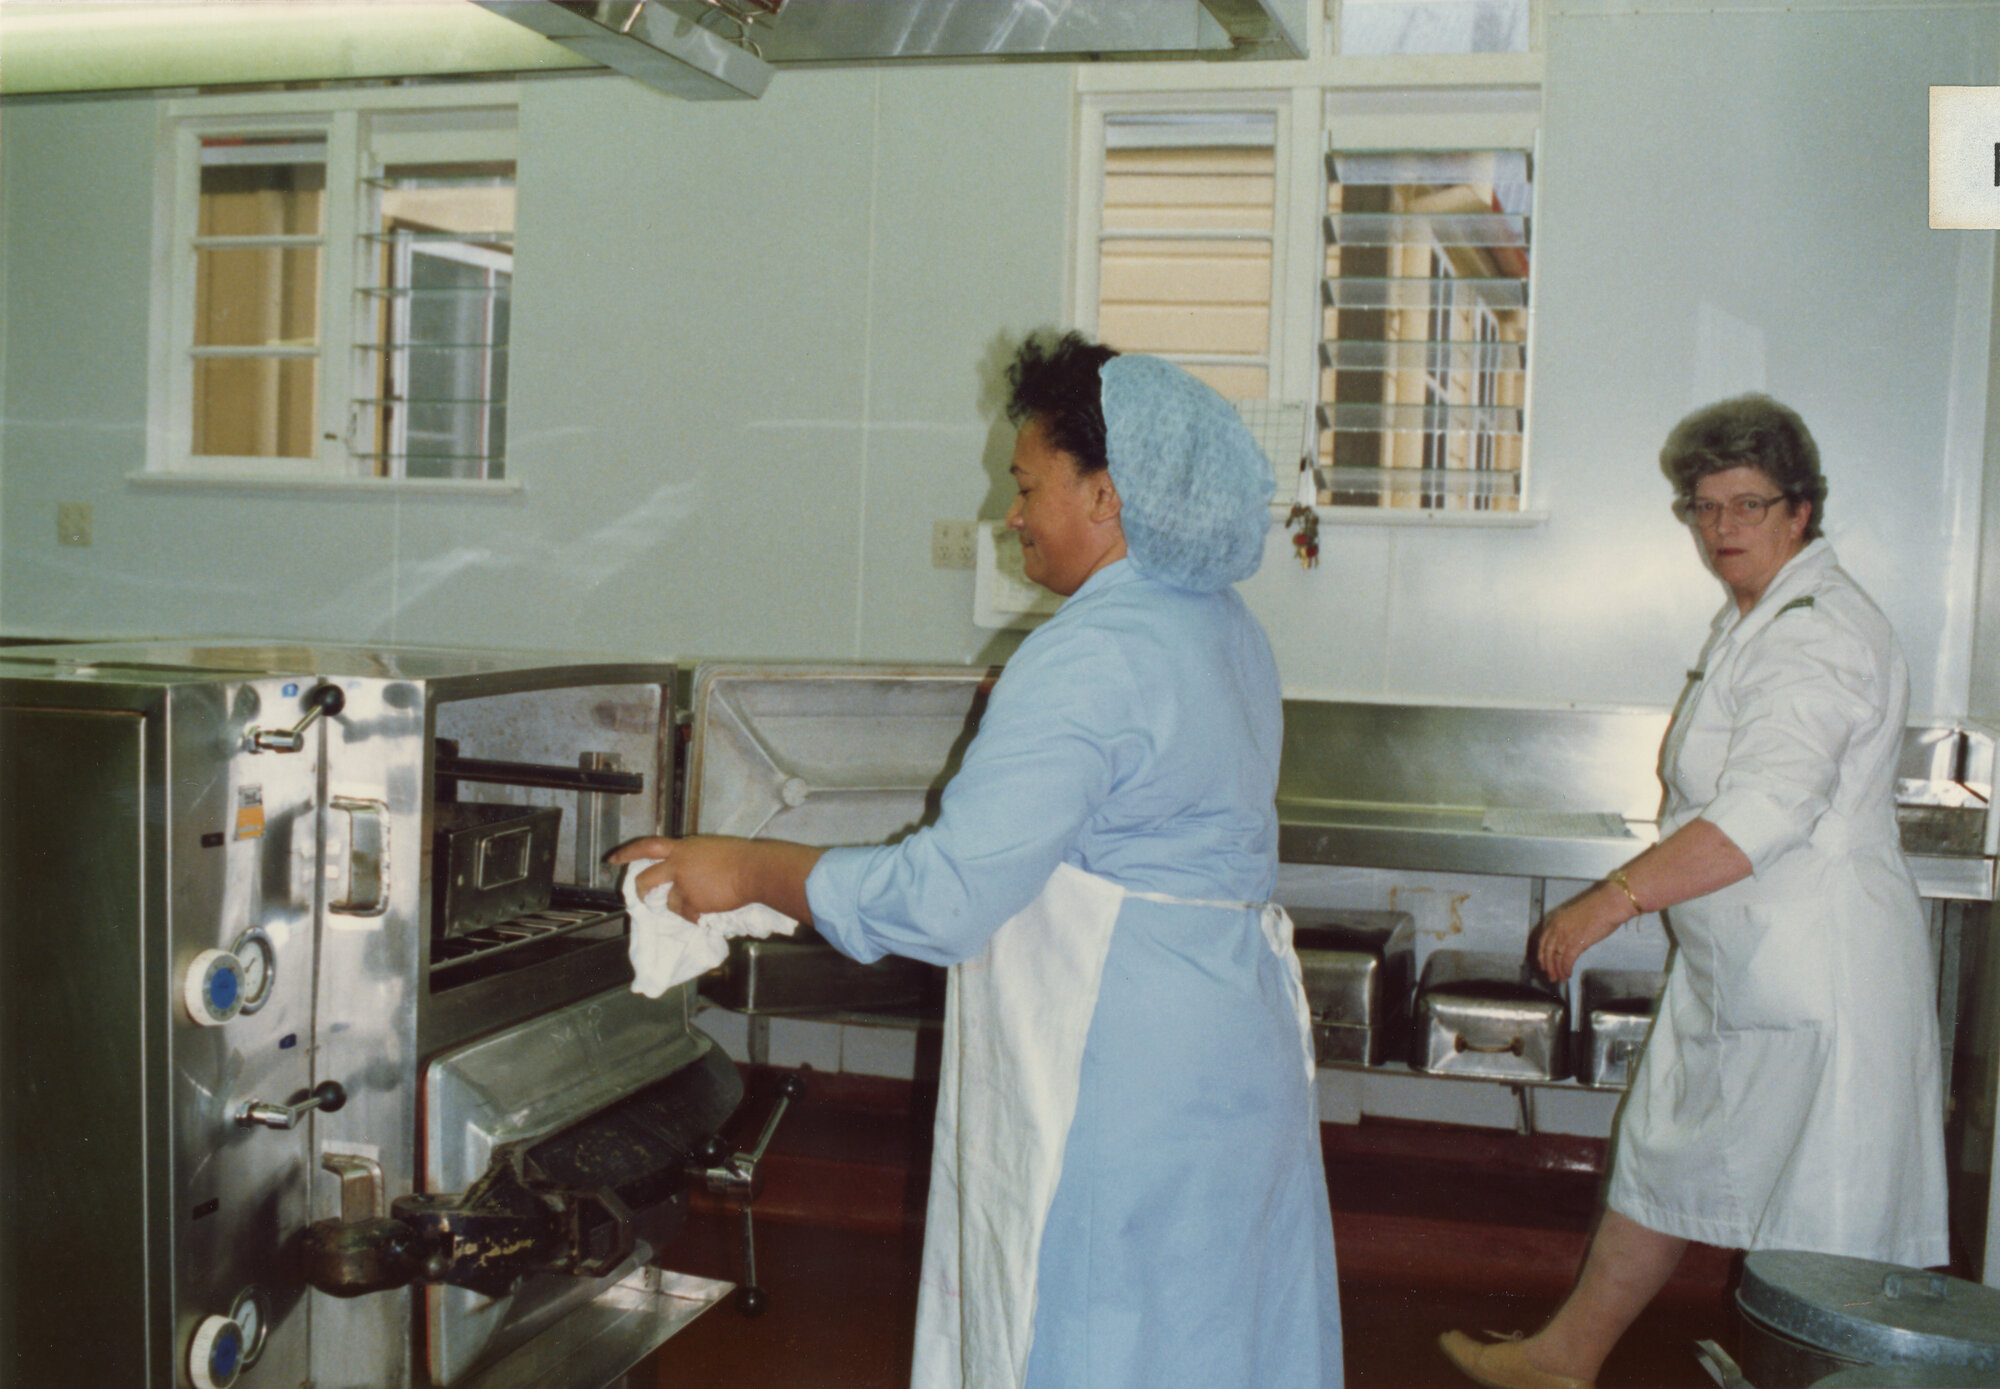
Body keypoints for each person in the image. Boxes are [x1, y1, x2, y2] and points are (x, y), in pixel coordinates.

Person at [610, 334, 1344, 1389]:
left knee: (1084, 1327)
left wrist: (745, 869)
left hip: (1116, 1057)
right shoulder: (1220, 627)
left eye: (1026, 483)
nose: (1009, 514)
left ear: (1105, 494)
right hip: (1225, 1047)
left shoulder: (1088, 651)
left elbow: (944, 901)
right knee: (1206, 1333)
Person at [1440, 394, 1949, 1389]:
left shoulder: (1816, 634)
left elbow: (1761, 811)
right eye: (1701, 507)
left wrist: (1610, 899)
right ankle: (1563, 1356)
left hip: (1817, 983)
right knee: (1665, 1151)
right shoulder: (1755, 618)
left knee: (1825, 1227)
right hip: (1742, 967)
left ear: (1800, 510)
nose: (1719, 529)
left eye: (1745, 505)